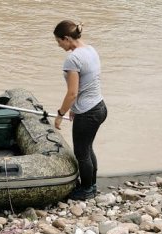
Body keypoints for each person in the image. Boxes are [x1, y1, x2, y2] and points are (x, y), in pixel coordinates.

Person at [53, 20, 108, 200]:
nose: (59, 45)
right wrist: (74, 109)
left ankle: (86, 190)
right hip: (99, 107)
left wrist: (60, 114)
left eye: (59, 41)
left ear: (67, 38)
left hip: (88, 112)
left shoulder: (73, 58)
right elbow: (89, 83)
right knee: (88, 148)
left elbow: (72, 92)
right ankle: (90, 184)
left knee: (82, 152)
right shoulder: (91, 50)